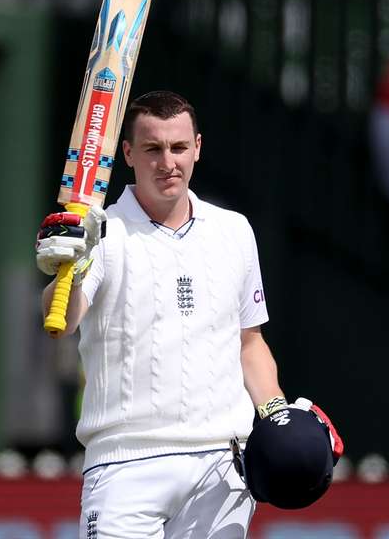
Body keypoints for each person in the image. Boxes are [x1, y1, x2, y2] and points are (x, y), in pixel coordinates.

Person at [36, 91, 340, 537]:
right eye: (153, 149)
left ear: (197, 146)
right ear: (127, 153)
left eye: (179, 148)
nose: (168, 162)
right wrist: (71, 270)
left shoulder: (233, 230)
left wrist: (276, 414)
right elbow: (61, 322)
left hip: (221, 465)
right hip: (125, 463)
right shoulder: (100, 233)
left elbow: (249, 342)